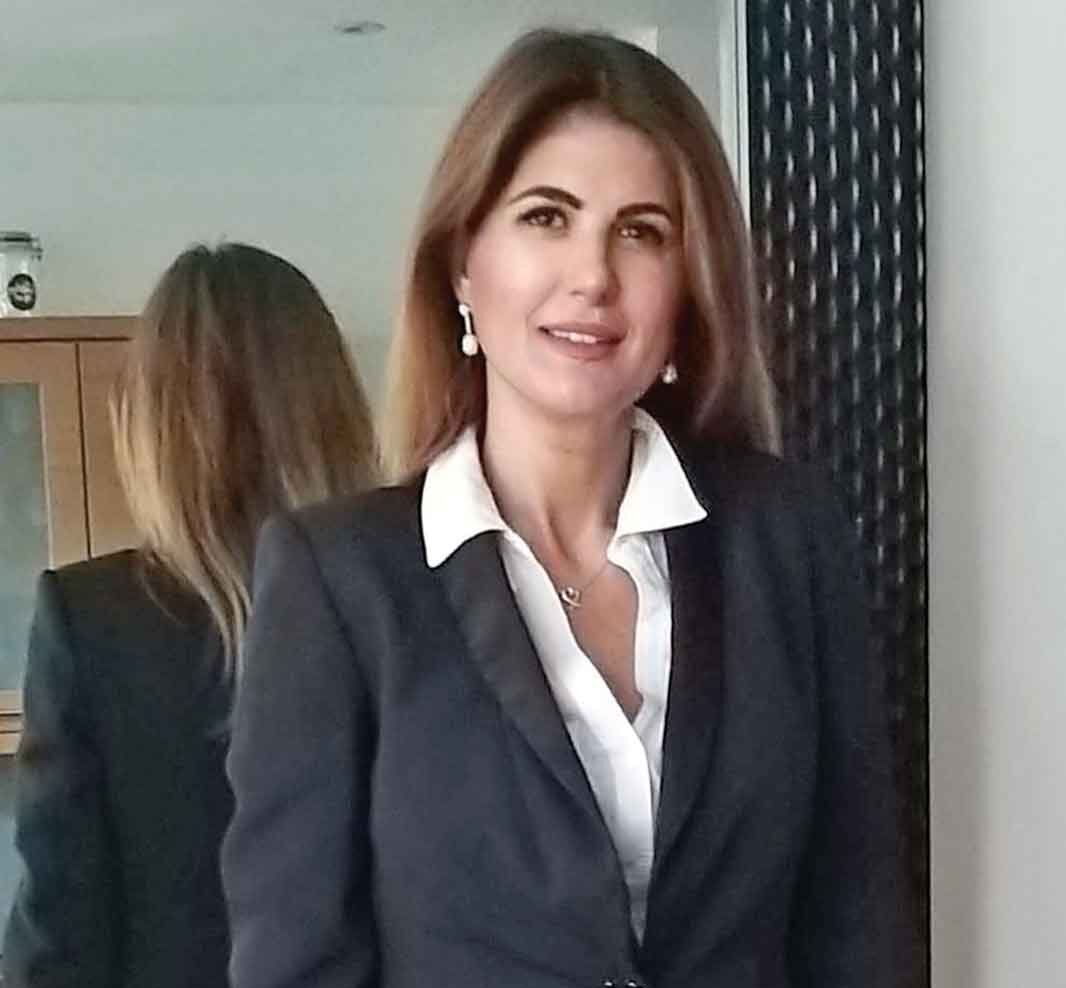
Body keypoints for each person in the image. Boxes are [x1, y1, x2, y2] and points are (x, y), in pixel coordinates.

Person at [222, 30, 918, 988]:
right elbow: (295, 961)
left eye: (641, 231)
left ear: (688, 285)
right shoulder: (339, 579)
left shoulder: (787, 537)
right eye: (547, 217)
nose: (594, 275)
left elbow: (857, 920)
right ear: (463, 265)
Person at [3, 243, 378, 988]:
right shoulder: (407, 600)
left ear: (152, 425)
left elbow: (59, 936)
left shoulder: (91, 620)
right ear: (334, 408)